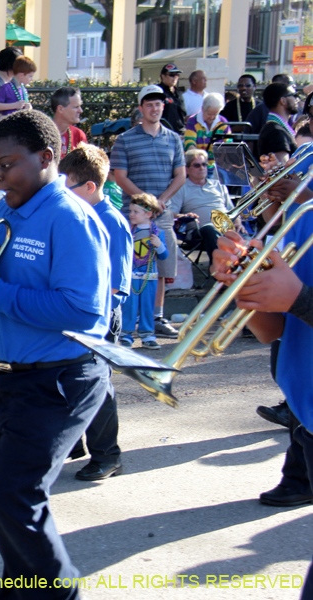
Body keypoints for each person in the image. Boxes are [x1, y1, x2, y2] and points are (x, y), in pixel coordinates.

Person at [0, 109, 111, 600]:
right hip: (10, 379)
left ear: (47, 158)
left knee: (17, 496)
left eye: (8, 165)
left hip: (59, 379)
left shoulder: (70, 217)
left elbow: (84, 311)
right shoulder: (7, 209)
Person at [211, 205, 313, 596]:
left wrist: (300, 299)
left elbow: (299, 300)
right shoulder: (305, 213)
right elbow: (274, 329)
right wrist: (246, 287)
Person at [59, 143, 132, 481]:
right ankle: (74, 443)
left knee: (96, 387)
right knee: (67, 381)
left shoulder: (111, 223)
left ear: (89, 187)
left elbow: (116, 287)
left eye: (67, 185)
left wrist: (93, 320)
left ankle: (108, 455)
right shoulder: (75, 216)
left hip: (99, 319)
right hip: (74, 314)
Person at [111, 84, 186, 341]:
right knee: (127, 266)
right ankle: (124, 319)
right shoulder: (124, 139)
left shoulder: (174, 138)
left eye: (158, 104)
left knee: (161, 266)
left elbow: (181, 175)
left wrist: (161, 200)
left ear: (163, 106)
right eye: (149, 104)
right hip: (131, 215)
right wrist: (144, 202)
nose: (154, 108)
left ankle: (156, 318)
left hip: (162, 213)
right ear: (141, 108)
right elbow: (120, 177)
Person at [169, 148, 235, 263]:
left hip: (227, 229)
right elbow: (171, 213)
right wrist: (183, 215)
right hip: (200, 232)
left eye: (204, 164)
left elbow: (232, 210)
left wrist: (238, 221)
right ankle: (221, 273)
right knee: (210, 229)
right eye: (197, 165)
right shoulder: (181, 187)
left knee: (251, 240)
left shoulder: (218, 185)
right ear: (187, 170)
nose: (202, 168)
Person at [120, 193, 169, 350]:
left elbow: (164, 255)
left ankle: (148, 335)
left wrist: (159, 245)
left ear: (148, 214)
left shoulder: (158, 233)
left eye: (135, 211)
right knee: (129, 306)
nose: (131, 214)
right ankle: (126, 334)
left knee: (147, 306)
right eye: (131, 211)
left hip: (150, 276)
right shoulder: (128, 231)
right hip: (132, 276)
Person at [257, 82, 299, 164]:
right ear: (283, 100)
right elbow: (283, 170)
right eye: (294, 95)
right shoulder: (276, 131)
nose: (297, 99)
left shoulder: (276, 128)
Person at [51, 86, 87, 159]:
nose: (81, 111)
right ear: (60, 109)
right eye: (76, 107)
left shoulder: (79, 135)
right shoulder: (42, 133)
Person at [158, 63, 187, 135]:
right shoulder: (158, 92)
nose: (175, 78)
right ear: (163, 76)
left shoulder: (178, 93)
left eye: (177, 75)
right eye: (171, 75)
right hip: (164, 133)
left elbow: (182, 115)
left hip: (180, 133)